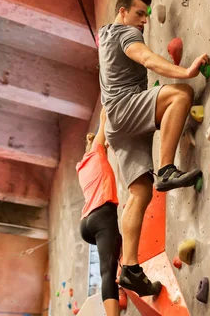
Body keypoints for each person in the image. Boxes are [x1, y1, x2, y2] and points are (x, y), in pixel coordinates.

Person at [97, 0, 209, 295]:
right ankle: (167, 169)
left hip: (116, 125)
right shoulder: (124, 33)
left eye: (146, 16)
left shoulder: (105, 35)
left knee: (140, 193)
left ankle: (130, 268)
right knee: (181, 94)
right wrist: (184, 72)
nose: (143, 21)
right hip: (125, 107)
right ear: (122, 12)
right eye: (138, 14)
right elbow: (145, 58)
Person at [77, 108, 146, 315]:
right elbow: (103, 120)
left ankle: (121, 283)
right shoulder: (95, 151)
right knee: (106, 271)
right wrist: (109, 100)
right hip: (102, 216)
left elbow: (103, 144)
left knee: (116, 253)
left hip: (87, 223)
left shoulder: (82, 167)